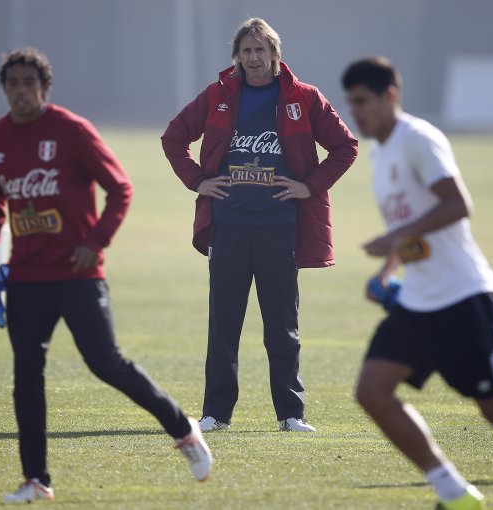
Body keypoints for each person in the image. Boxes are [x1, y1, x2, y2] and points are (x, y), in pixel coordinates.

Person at [0, 47, 212, 503]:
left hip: (79, 275)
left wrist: (96, 242)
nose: (20, 92)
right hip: (25, 279)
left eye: (28, 84)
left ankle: (182, 428)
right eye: (12, 84)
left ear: (44, 88)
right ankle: (36, 480)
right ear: (4, 89)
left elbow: (120, 187)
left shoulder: (72, 131)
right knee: (27, 376)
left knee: (106, 364)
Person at [343, 56, 493, 510]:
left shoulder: (418, 139)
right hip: (419, 300)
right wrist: (388, 268)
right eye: (350, 103)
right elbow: (417, 229)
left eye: (363, 102)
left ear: (390, 96)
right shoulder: (379, 152)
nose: (356, 113)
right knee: (372, 391)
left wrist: (395, 237)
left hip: (463, 296)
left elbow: (457, 205)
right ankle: (455, 495)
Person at [162, 18, 358, 433]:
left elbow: (345, 146)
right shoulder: (217, 96)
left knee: (282, 326)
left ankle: (291, 414)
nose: (253, 58)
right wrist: (198, 180)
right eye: (246, 51)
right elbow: (174, 137)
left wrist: (310, 186)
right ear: (237, 57)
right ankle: (216, 413)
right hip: (228, 226)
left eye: (261, 51)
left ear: (275, 56)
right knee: (224, 325)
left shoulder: (303, 98)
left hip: (281, 226)